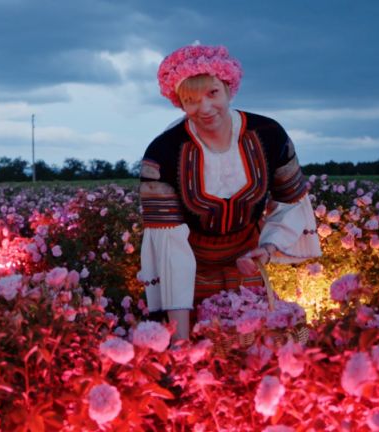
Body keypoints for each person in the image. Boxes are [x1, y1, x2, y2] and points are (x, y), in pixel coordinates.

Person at [138, 44, 322, 341]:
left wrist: (270, 247)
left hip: (246, 260)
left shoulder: (269, 134)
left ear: (228, 88)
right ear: (180, 103)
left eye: (212, 93)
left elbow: (290, 201)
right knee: (202, 348)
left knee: (254, 343)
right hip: (189, 269)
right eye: (191, 100)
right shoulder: (164, 153)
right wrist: (180, 341)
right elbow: (170, 246)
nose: (205, 108)